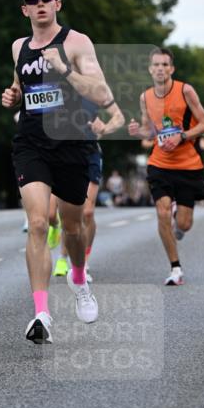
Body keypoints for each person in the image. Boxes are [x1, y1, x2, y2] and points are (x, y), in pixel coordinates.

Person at [1, 0, 116, 344]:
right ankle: (41, 313)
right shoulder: (19, 46)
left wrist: (64, 69)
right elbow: (22, 88)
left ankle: (79, 279)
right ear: (24, 10)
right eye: (32, 0)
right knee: (38, 222)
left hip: (71, 143)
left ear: (57, 5)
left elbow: (101, 93)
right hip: (32, 143)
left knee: (73, 226)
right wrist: (13, 96)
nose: (39, 5)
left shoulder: (76, 42)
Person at [128, 46, 204, 285]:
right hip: (160, 163)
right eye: (156, 65)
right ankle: (175, 268)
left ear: (171, 68)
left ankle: (179, 221)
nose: (160, 69)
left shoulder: (186, 91)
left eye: (165, 64)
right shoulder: (145, 97)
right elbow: (149, 130)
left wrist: (182, 137)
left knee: (184, 223)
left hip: (188, 165)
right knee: (162, 212)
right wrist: (137, 131)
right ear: (150, 69)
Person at [52, 98, 125, 280]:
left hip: (90, 153)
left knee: (88, 213)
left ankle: (82, 262)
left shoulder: (94, 88)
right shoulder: (58, 85)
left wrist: (104, 128)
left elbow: (118, 117)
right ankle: (60, 245)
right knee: (56, 214)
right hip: (63, 154)